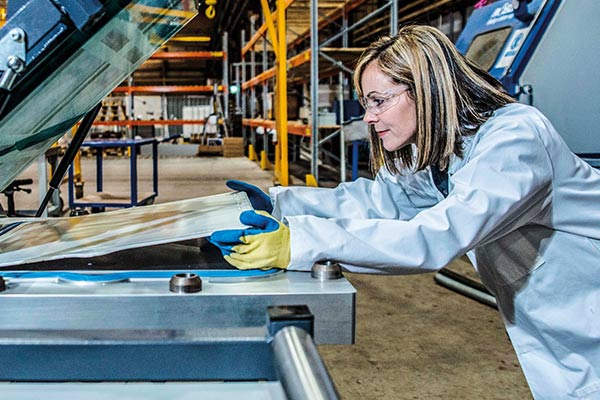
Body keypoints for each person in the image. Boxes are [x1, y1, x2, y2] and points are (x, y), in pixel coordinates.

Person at [210, 25, 600, 399]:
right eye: (367, 103)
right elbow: (380, 203)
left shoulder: (515, 140)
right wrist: (281, 204)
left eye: (379, 101)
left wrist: (300, 242)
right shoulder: (438, 151)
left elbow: (435, 236)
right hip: (557, 324)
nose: (368, 116)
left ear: (427, 91)